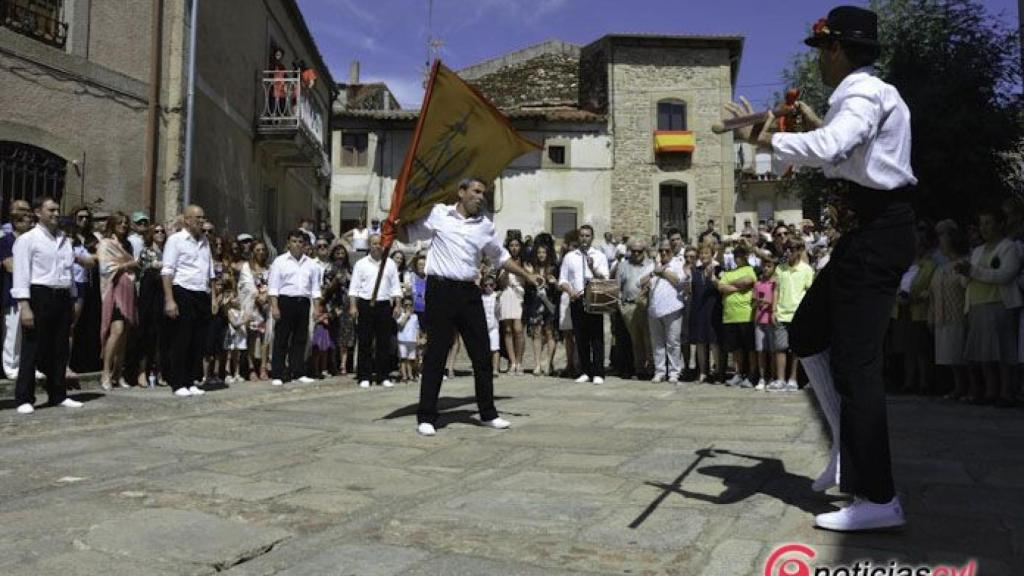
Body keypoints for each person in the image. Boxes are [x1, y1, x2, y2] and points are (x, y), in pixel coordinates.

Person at [729, 5, 917, 530]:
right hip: (868, 234)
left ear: (835, 49)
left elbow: (831, 148)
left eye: (821, 51)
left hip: (877, 234)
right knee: (808, 331)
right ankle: (845, 448)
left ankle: (878, 497)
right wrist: (815, 126)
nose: (818, 63)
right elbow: (848, 157)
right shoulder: (868, 95)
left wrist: (764, 139)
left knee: (857, 366)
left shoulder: (860, 92)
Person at [399, 177, 543, 436]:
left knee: (482, 353)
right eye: (476, 191)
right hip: (440, 290)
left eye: (483, 193)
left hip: (468, 292)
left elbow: (501, 257)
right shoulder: (438, 214)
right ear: (461, 191)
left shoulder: (485, 226)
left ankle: (488, 413)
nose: (480, 197)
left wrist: (527, 275)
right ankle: (427, 416)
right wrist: (392, 225)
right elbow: (408, 233)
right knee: (436, 353)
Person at [11, 197, 83, 413]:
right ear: (37, 212)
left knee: (60, 348)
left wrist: (72, 298)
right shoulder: (28, 239)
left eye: (57, 209)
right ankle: (24, 397)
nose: (56, 213)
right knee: (32, 347)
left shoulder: (64, 239)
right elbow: (22, 273)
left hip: (61, 295)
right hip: (39, 294)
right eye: (51, 209)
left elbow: (68, 271)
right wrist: (24, 305)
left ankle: (58, 393)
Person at [958, 208, 1020, 406]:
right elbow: (965, 280)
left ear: (1000, 224)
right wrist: (965, 272)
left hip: (999, 304)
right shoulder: (977, 251)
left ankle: (1006, 393)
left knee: (1003, 351)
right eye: (981, 223)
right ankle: (990, 392)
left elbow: (1005, 275)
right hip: (976, 304)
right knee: (984, 353)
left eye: (988, 222)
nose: (983, 227)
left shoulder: (1008, 247)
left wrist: (973, 272)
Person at [162, 205, 215, 398]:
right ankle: (178, 382)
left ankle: (191, 379)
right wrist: (169, 300)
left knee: (198, 339)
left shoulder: (205, 242)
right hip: (182, 291)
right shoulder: (175, 241)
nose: (201, 221)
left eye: (203, 218)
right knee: (181, 339)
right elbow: (167, 270)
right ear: (187, 220)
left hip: (201, 292)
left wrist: (212, 296)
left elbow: (209, 272)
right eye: (197, 218)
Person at [268, 229, 322, 386]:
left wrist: (317, 308)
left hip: (303, 302)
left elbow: (315, 289)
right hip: (285, 301)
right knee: (281, 338)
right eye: (294, 241)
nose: (297, 244)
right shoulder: (279, 261)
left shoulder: (312, 264)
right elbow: (273, 287)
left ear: (304, 244)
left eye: (300, 242)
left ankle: (297, 371)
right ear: (288, 243)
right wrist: (275, 307)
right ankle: (278, 372)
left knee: (300, 339)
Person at [348, 234, 401, 389]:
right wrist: (353, 306)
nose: (377, 246)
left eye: (379, 243)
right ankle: (365, 375)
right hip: (365, 305)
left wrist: (397, 305)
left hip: (384, 305)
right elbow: (354, 288)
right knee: (365, 341)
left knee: (383, 342)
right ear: (369, 245)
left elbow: (395, 287)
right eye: (374, 243)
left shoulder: (390, 264)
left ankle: (383, 375)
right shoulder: (361, 264)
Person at [558, 224, 610, 384]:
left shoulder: (599, 256)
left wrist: (592, 267)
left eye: (587, 236)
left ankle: (598, 372)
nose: (584, 239)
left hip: (594, 299)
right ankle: (585, 371)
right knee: (581, 337)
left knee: (596, 337)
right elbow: (563, 280)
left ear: (592, 238)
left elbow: (605, 279)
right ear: (578, 237)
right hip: (576, 299)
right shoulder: (569, 257)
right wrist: (569, 290)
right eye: (582, 236)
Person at [97, 212, 140, 390]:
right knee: (117, 330)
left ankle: (118, 374)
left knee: (124, 335)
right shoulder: (106, 244)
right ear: (112, 225)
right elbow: (105, 267)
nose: (123, 225)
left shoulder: (127, 245)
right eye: (119, 222)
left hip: (128, 289)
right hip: (114, 290)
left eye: (125, 222)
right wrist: (127, 265)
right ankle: (105, 373)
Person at [928, 220, 969, 401]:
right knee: (950, 357)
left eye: (943, 236)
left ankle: (969, 388)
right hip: (942, 315)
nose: (940, 241)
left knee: (962, 356)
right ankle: (958, 387)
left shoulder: (965, 262)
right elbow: (933, 293)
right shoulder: (941, 267)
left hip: (959, 314)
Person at [770, 240, 814, 392]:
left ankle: (793, 379)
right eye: (786, 249)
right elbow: (776, 290)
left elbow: (809, 292)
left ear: (800, 250)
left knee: (795, 349)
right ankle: (781, 379)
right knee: (780, 347)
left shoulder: (807, 270)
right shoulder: (780, 269)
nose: (788, 252)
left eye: (792, 249)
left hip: (798, 314)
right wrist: (773, 310)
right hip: (782, 313)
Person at [642, 240, 688, 383]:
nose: (663, 253)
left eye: (666, 250)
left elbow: (678, 280)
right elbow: (640, 282)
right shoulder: (653, 265)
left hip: (673, 308)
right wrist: (652, 273)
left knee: (673, 342)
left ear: (672, 251)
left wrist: (663, 271)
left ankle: (674, 372)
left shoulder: (678, 263)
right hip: (655, 310)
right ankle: (660, 371)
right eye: (661, 250)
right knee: (657, 343)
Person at [2, 211, 40, 381]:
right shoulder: (6, 241)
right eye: (27, 220)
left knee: (30, 333)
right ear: (16, 223)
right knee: (13, 332)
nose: (31, 223)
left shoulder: (32, 240)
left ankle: (29, 366)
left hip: (33, 293)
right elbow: (10, 266)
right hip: (12, 292)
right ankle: (11, 367)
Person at [717, 244, 757, 388]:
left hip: (746, 314)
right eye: (736, 256)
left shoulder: (750, 269)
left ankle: (752, 374)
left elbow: (748, 281)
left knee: (750, 347)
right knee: (736, 348)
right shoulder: (729, 272)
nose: (738, 258)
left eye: (741, 255)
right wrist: (737, 286)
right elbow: (721, 287)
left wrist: (730, 285)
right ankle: (738, 373)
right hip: (730, 316)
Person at [616, 238, 654, 379]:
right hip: (629, 307)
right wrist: (621, 306)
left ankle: (651, 367)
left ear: (644, 251)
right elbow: (617, 288)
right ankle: (639, 369)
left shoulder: (651, 265)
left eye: (639, 251)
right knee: (636, 340)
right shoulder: (623, 266)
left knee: (648, 339)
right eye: (633, 251)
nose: (636, 253)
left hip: (646, 306)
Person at [525, 243, 558, 376]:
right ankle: (537, 364)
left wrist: (554, 282)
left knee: (550, 333)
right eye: (539, 252)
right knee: (537, 333)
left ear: (548, 253)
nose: (541, 255)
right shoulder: (533, 268)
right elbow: (528, 285)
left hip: (550, 303)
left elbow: (558, 285)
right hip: (536, 303)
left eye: (543, 252)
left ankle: (549, 363)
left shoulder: (554, 268)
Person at [497, 237, 527, 375]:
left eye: (516, 245)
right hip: (506, 294)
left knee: (518, 329)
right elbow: (501, 283)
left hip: (519, 295)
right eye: (511, 245)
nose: (514, 248)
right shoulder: (503, 262)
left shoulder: (524, 262)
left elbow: (528, 279)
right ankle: (512, 362)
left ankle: (519, 362)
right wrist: (507, 270)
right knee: (508, 330)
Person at [753, 255, 777, 390]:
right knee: (760, 350)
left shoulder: (775, 284)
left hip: (770, 320)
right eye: (764, 266)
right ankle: (762, 378)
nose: (766, 269)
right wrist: (758, 302)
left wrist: (769, 303)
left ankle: (773, 377)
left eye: (769, 266)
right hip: (758, 320)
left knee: (772, 350)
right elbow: (753, 302)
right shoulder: (757, 283)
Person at [480, 275, 501, 377]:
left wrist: (498, 300)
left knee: (495, 348)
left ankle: (495, 369)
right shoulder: (481, 297)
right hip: (483, 326)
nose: (488, 287)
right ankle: (485, 368)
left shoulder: (496, 296)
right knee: (484, 349)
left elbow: (498, 311)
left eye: (491, 285)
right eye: (486, 285)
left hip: (494, 327)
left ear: (495, 286)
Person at [396, 297, 420, 383]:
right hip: (402, 340)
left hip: (412, 340)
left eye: (410, 305)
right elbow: (401, 324)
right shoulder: (400, 315)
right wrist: (406, 315)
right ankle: (404, 376)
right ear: (403, 306)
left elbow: (417, 328)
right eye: (406, 305)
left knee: (411, 359)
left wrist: (417, 338)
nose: (408, 307)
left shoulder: (415, 316)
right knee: (403, 358)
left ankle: (410, 375)